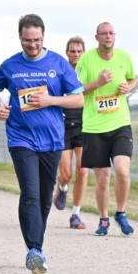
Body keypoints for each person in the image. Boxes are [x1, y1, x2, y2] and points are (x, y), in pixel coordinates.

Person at [0, 14, 83, 274]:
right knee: (30, 192)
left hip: (52, 140)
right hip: (21, 138)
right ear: (20, 38)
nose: (32, 45)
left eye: (37, 40)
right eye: (27, 40)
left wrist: (51, 100)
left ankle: (35, 248)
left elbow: (79, 100)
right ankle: (35, 250)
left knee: (43, 197)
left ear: (44, 37)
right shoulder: (10, 65)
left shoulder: (58, 64)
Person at [76, 21, 138, 236]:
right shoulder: (86, 59)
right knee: (102, 178)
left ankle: (121, 213)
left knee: (122, 170)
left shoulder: (124, 57)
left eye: (111, 33)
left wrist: (127, 87)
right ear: (97, 37)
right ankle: (103, 219)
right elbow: (77, 90)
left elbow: (133, 78)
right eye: (104, 34)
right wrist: (98, 83)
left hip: (120, 123)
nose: (108, 37)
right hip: (94, 127)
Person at [54, 36, 89, 229]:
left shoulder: (88, 72)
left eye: (79, 51)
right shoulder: (60, 72)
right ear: (67, 52)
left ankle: (76, 214)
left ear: (83, 52)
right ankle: (62, 187)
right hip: (63, 126)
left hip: (85, 126)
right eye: (72, 51)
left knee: (83, 171)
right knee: (66, 173)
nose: (76, 54)